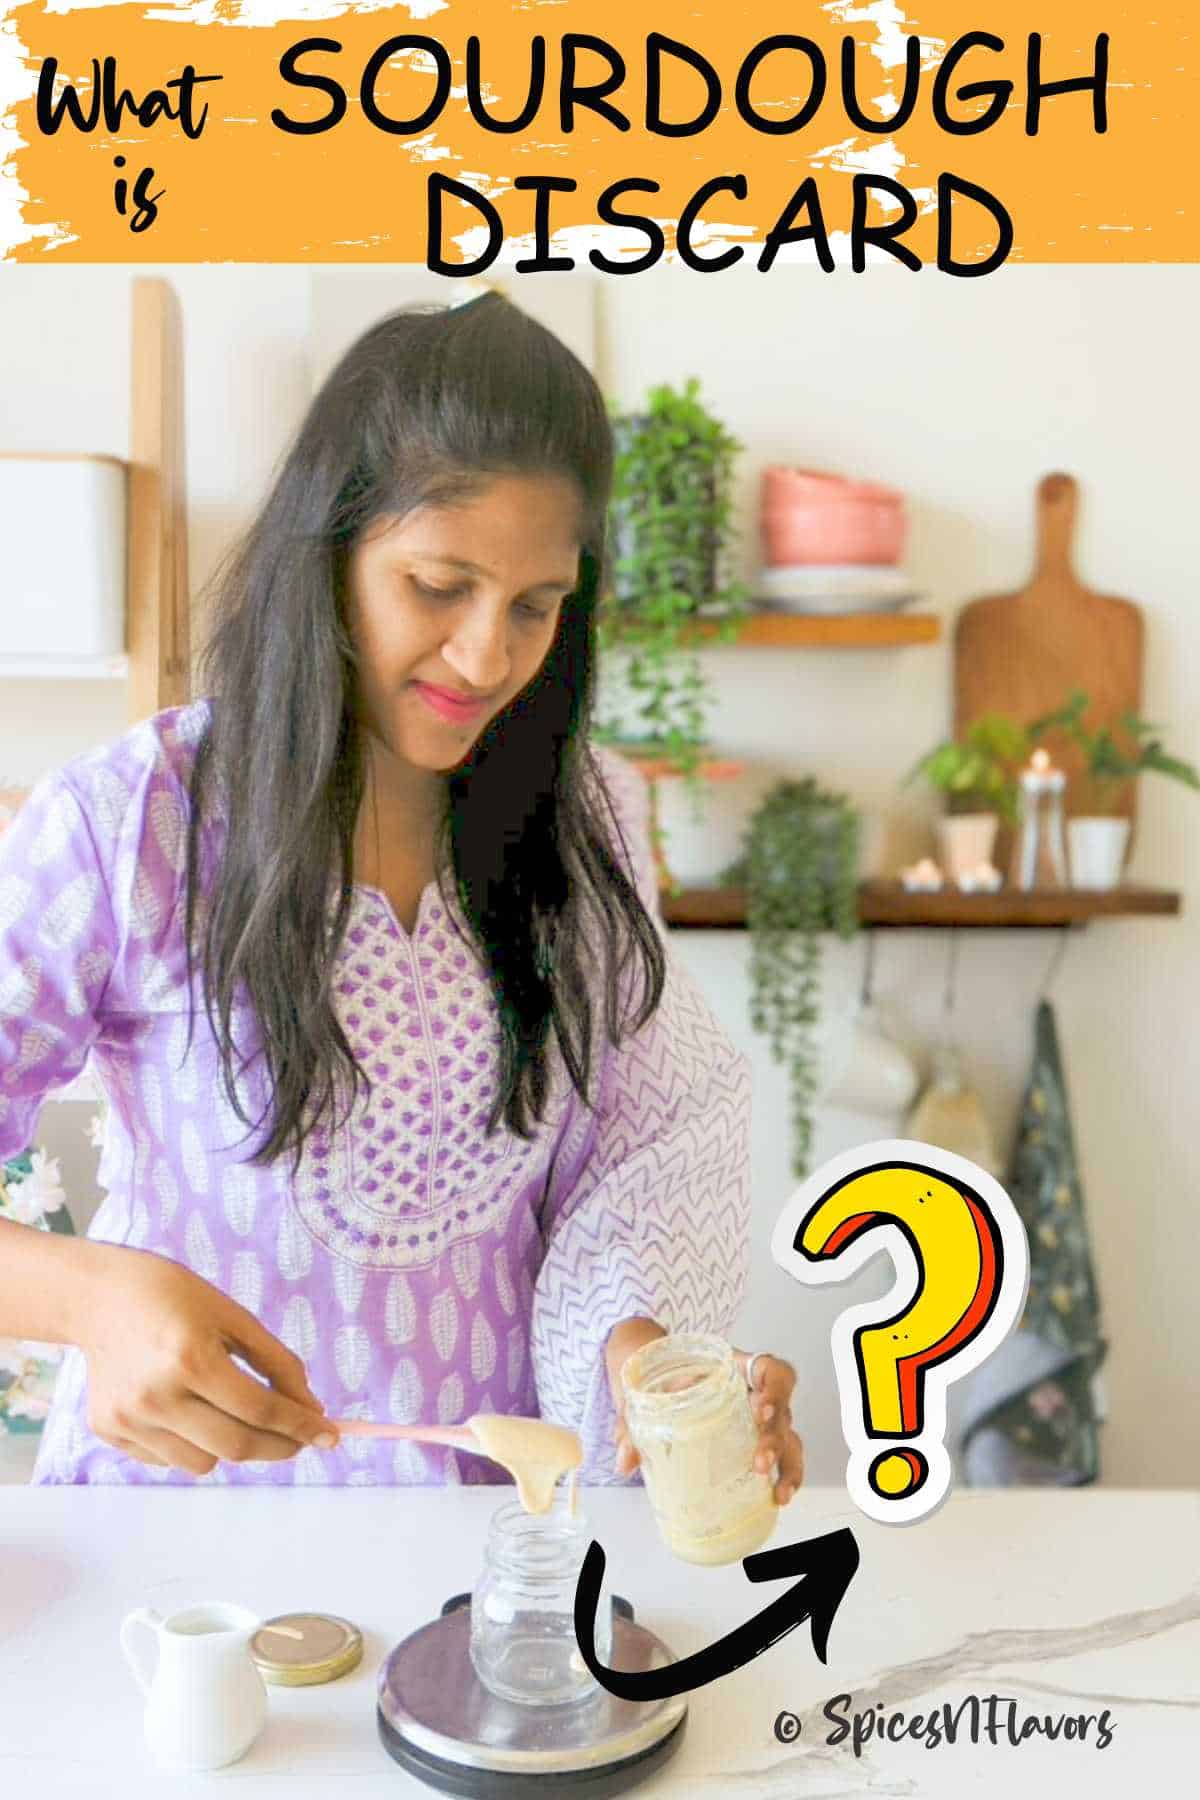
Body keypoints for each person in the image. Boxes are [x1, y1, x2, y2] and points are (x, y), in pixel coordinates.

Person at [0, 293, 804, 1499]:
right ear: (328, 554)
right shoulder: (134, 824)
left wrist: (651, 1372)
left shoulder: (585, 826)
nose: (488, 657)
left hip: (491, 1555)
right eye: (439, 585)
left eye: (537, 606)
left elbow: (627, 1173)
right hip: (185, 1566)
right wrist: (87, 1298)